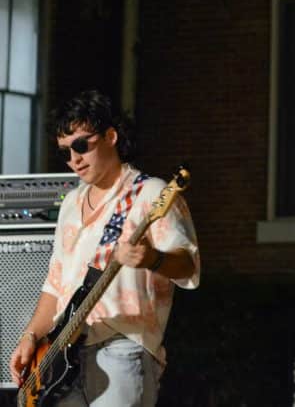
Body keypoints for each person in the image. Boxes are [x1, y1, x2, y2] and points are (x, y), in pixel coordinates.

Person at [7, 90, 200, 407]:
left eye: (81, 145)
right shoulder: (71, 203)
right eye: (65, 152)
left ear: (111, 136)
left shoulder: (150, 193)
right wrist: (30, 336)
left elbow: (187, 266)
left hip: (122, 345)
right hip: (62, 356)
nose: (75, 159)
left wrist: (151, 259)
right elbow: (55, 286)